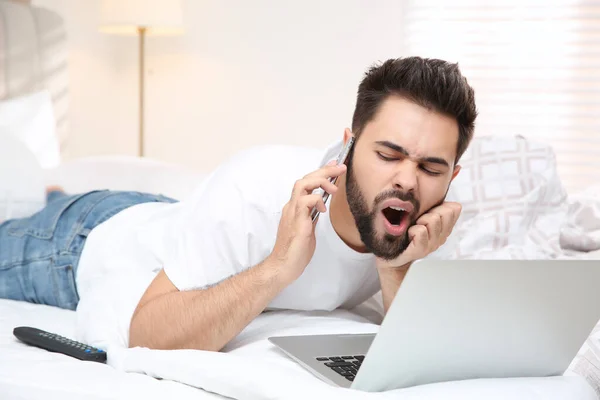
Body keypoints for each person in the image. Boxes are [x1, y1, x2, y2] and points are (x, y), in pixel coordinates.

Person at [0, 56, 477, 352]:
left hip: (177, 216)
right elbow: (149, 333)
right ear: (348, 146)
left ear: (451, 176)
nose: (407, 181)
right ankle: (58, 200)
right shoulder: (256, 186)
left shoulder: (431, 219)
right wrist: (276, 268)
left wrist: (395, 267)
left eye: (430, 168)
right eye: (388, 154)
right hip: (83, 243)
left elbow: (417, 352)